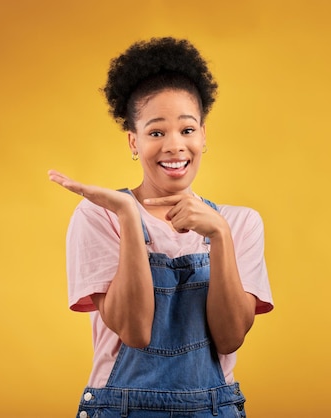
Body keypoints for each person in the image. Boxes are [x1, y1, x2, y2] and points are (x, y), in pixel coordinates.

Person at [48, 37, 273, 418]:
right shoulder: (100, 216)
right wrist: (127, 216)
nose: (174, 145)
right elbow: (135, 332)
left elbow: (231, 336)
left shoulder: (239, 223)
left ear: (203, 135)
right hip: (121, 410)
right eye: (156, 133)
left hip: (213, 410)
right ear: (133, 142)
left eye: (187, 130)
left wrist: (219, 235)